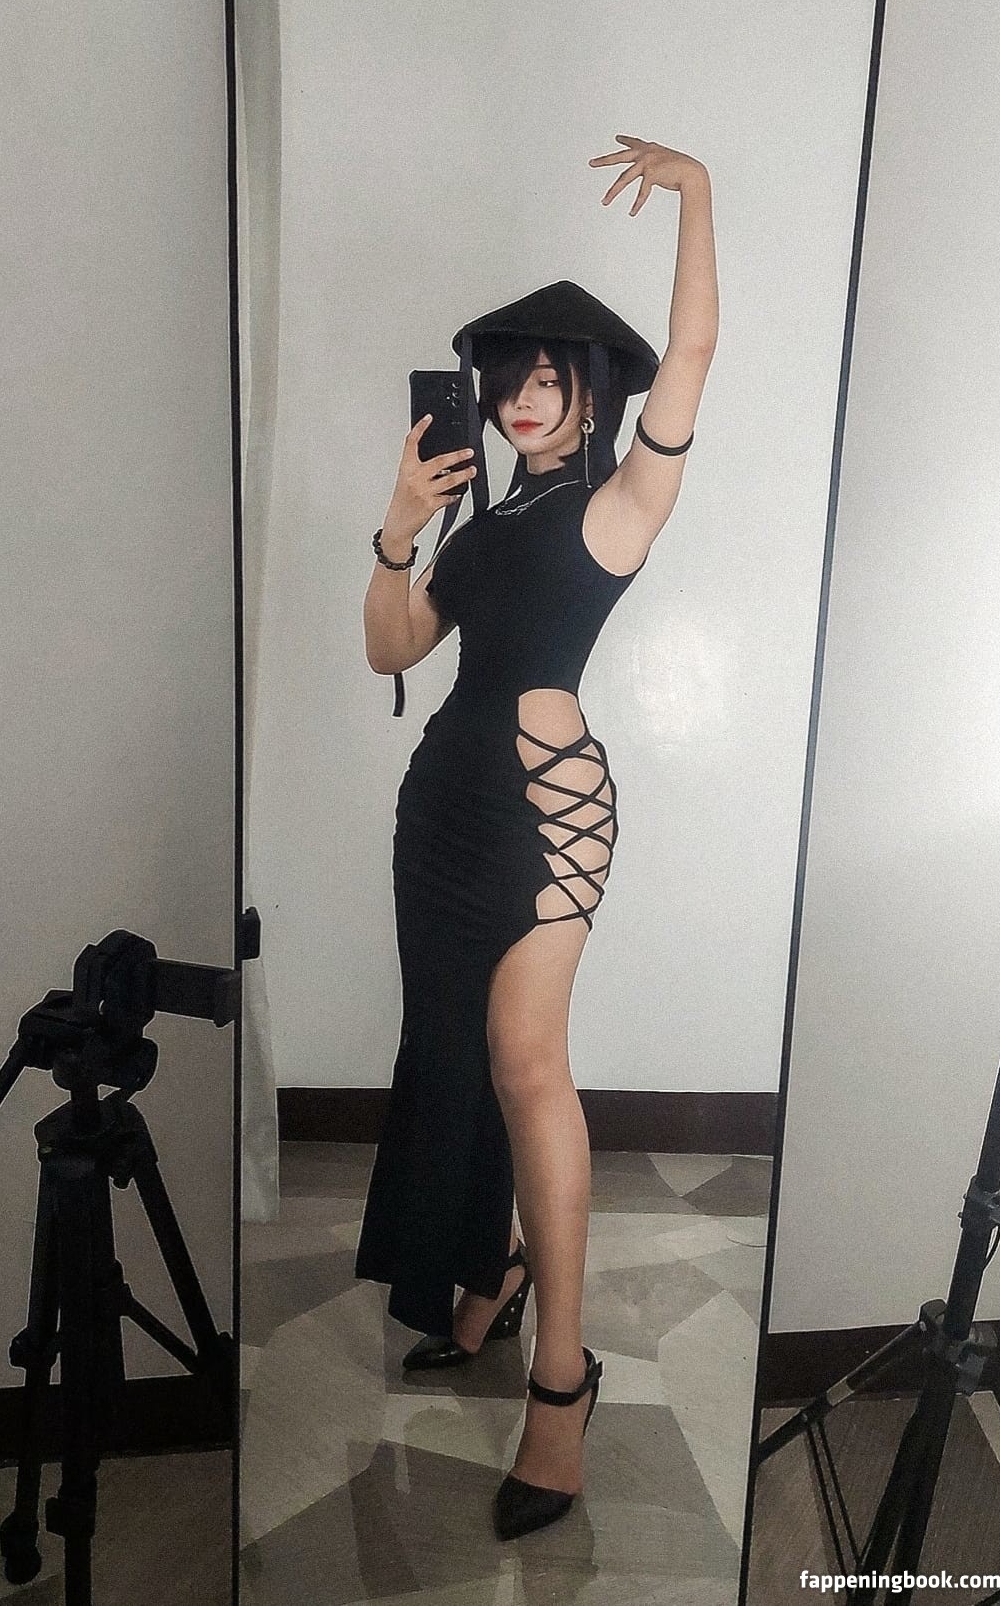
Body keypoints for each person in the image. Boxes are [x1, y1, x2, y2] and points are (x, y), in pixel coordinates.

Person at [354, 138, 719, 1540]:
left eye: (552, 379)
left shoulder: (619, 508)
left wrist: (698, 193)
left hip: (548, 813)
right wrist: (399, 526)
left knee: (527, 1068)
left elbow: (694, 354)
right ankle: (491, 1269)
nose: (524, 399)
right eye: (511, 380)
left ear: (594, 393)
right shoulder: (482, 521)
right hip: (441, 808)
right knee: (451, 1051)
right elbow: (392, 646)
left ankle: (561, 1381)